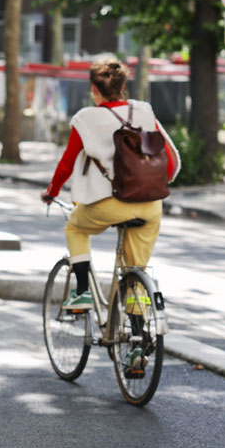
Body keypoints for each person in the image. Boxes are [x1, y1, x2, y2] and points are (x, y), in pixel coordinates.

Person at [40, 59, 181, 310]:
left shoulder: (85, 118)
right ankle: (138, 332)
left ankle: (82, 292)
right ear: (124, 85)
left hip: (108, 205)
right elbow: (171, 162)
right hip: (150, 205)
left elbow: (66, 165)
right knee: (135, 268)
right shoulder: (144, 111)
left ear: (94, 89)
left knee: (75, 228)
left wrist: (51, 192)